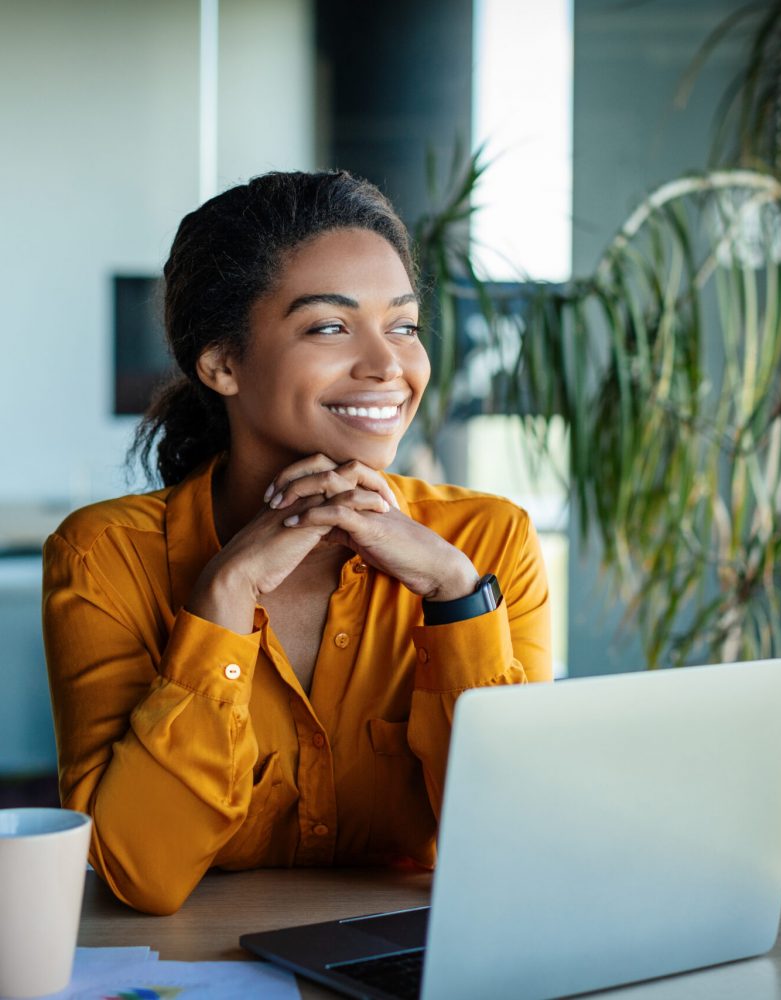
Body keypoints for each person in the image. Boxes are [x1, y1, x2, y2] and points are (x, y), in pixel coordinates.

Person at [43, 171, 551, 915]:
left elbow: (520, 848)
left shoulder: (484, 545)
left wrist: (456, 599)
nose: (389, 367)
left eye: (404, 326)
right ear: (220, 364)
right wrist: (221, 600)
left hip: (418, 969)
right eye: (329, 327)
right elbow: (138, 874)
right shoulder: (103, 558)